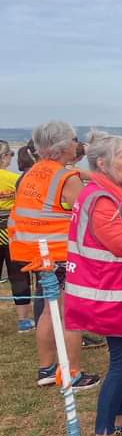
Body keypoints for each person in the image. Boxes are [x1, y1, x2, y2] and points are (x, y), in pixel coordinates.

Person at [64, 132, 122, 436]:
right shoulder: (103, 200)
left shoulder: (101, 192)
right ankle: (104, 435)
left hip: (107, 290)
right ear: (102, 163)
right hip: (108, 293)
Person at [9, 121, 99, 390]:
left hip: (36, 253)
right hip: (61, 253)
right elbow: (90, 210)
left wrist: (88, 175)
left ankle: (47, 368)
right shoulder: (64, 178)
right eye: (73, 139)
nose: (77, 143)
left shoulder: (36, 172)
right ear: (61, 146)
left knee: (50, 311)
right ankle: (71, 371)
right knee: (69, 312)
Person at [0, 141, 35, 331]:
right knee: (19, 277)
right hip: (13, 235)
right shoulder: (15, 180)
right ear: (5, 157)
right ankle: (23, 320)